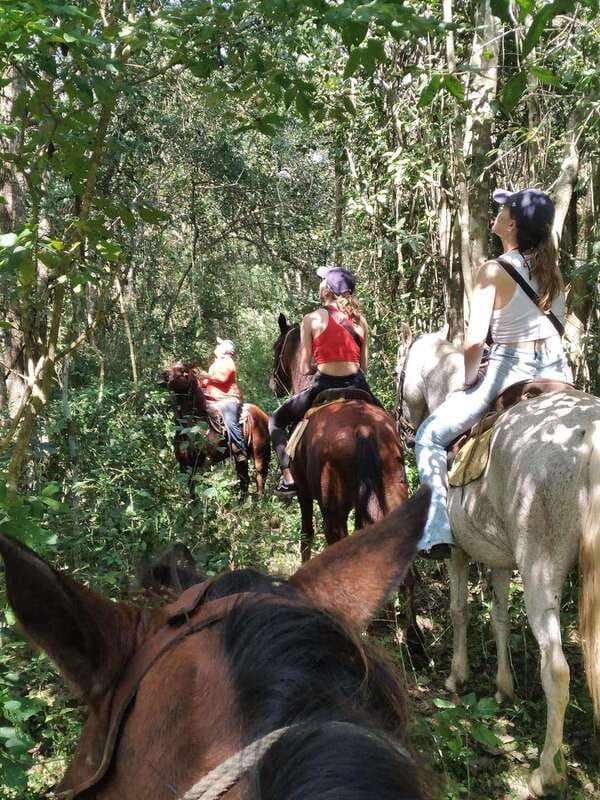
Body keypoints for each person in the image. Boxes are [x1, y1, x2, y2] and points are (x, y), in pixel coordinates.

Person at [415, 188, 573, 559]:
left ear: (513, 223)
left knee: (428, 436)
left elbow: (473, 343)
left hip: (509, 370)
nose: (497, 212)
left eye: (503, 209)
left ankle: (436, 530)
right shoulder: (552, 271)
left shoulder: (493, 270)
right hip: (558, 372)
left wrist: (470, 379)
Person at [270, 266, 380, 498]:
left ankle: (289, 478)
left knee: (275, 421)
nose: (319, 285)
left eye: (322, 282)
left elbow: (304, 368)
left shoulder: (311, 319)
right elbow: (364, 366)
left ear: (328, 289)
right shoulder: (361, 321)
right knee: (387, 420)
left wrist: (318, 366)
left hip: (324, 385)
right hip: (357, 384)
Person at [198, 338, 246, 459]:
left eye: (220, 345)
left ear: (225, 349)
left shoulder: (228, 362)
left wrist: (206, 375)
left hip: (227, 400)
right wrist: (200, 381)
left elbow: (222, 378)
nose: (217, 347)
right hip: (212, 400)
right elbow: (209, 381)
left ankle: (240, 449)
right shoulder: (216, 363)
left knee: (230, 421)